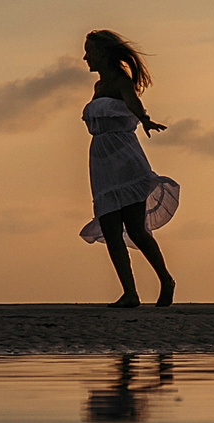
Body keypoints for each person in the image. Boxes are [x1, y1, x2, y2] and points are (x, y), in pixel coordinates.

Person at [76, 30, 182, 308]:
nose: (86, 57)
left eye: (90, 51)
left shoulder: (120, 81)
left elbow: (133, 101)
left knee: (135, 229)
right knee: (111, 229)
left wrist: (144, 119)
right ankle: (130, 293)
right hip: (101, 163)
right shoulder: (98, 87)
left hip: (125, 160)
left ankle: (166, 280)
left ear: (104, 53)